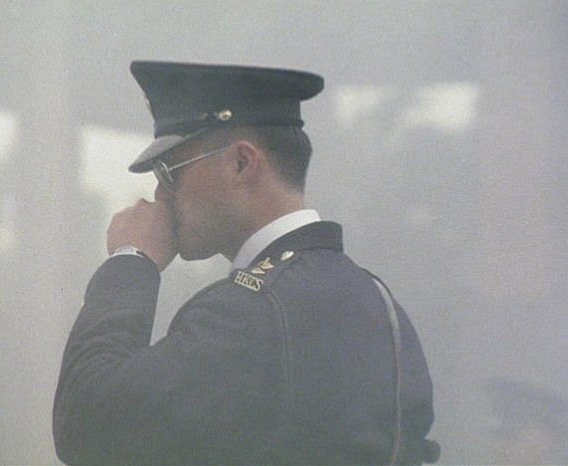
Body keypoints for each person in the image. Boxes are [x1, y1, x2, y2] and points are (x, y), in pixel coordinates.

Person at [53, 60, 438, 465]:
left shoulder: (246, 316)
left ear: (241, 163)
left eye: (168, 171)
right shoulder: (381, 305)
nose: (160, 193)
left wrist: (132, 260)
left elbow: (86, 422)